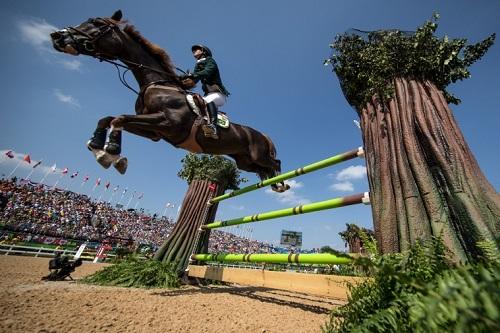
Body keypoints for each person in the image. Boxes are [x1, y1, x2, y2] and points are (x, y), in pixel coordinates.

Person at [186, 44, 230, 139]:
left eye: (196, 50)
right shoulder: (198, 65)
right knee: (192, 102)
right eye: (193, 51)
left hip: (218, 94)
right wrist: (183, 79)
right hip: (208, 94)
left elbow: (207, 72)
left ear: (203, 51)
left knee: (208, 101)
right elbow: (195, 80)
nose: (194, 52)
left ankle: (213, 127)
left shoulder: (210, 61)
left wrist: (192, 75)